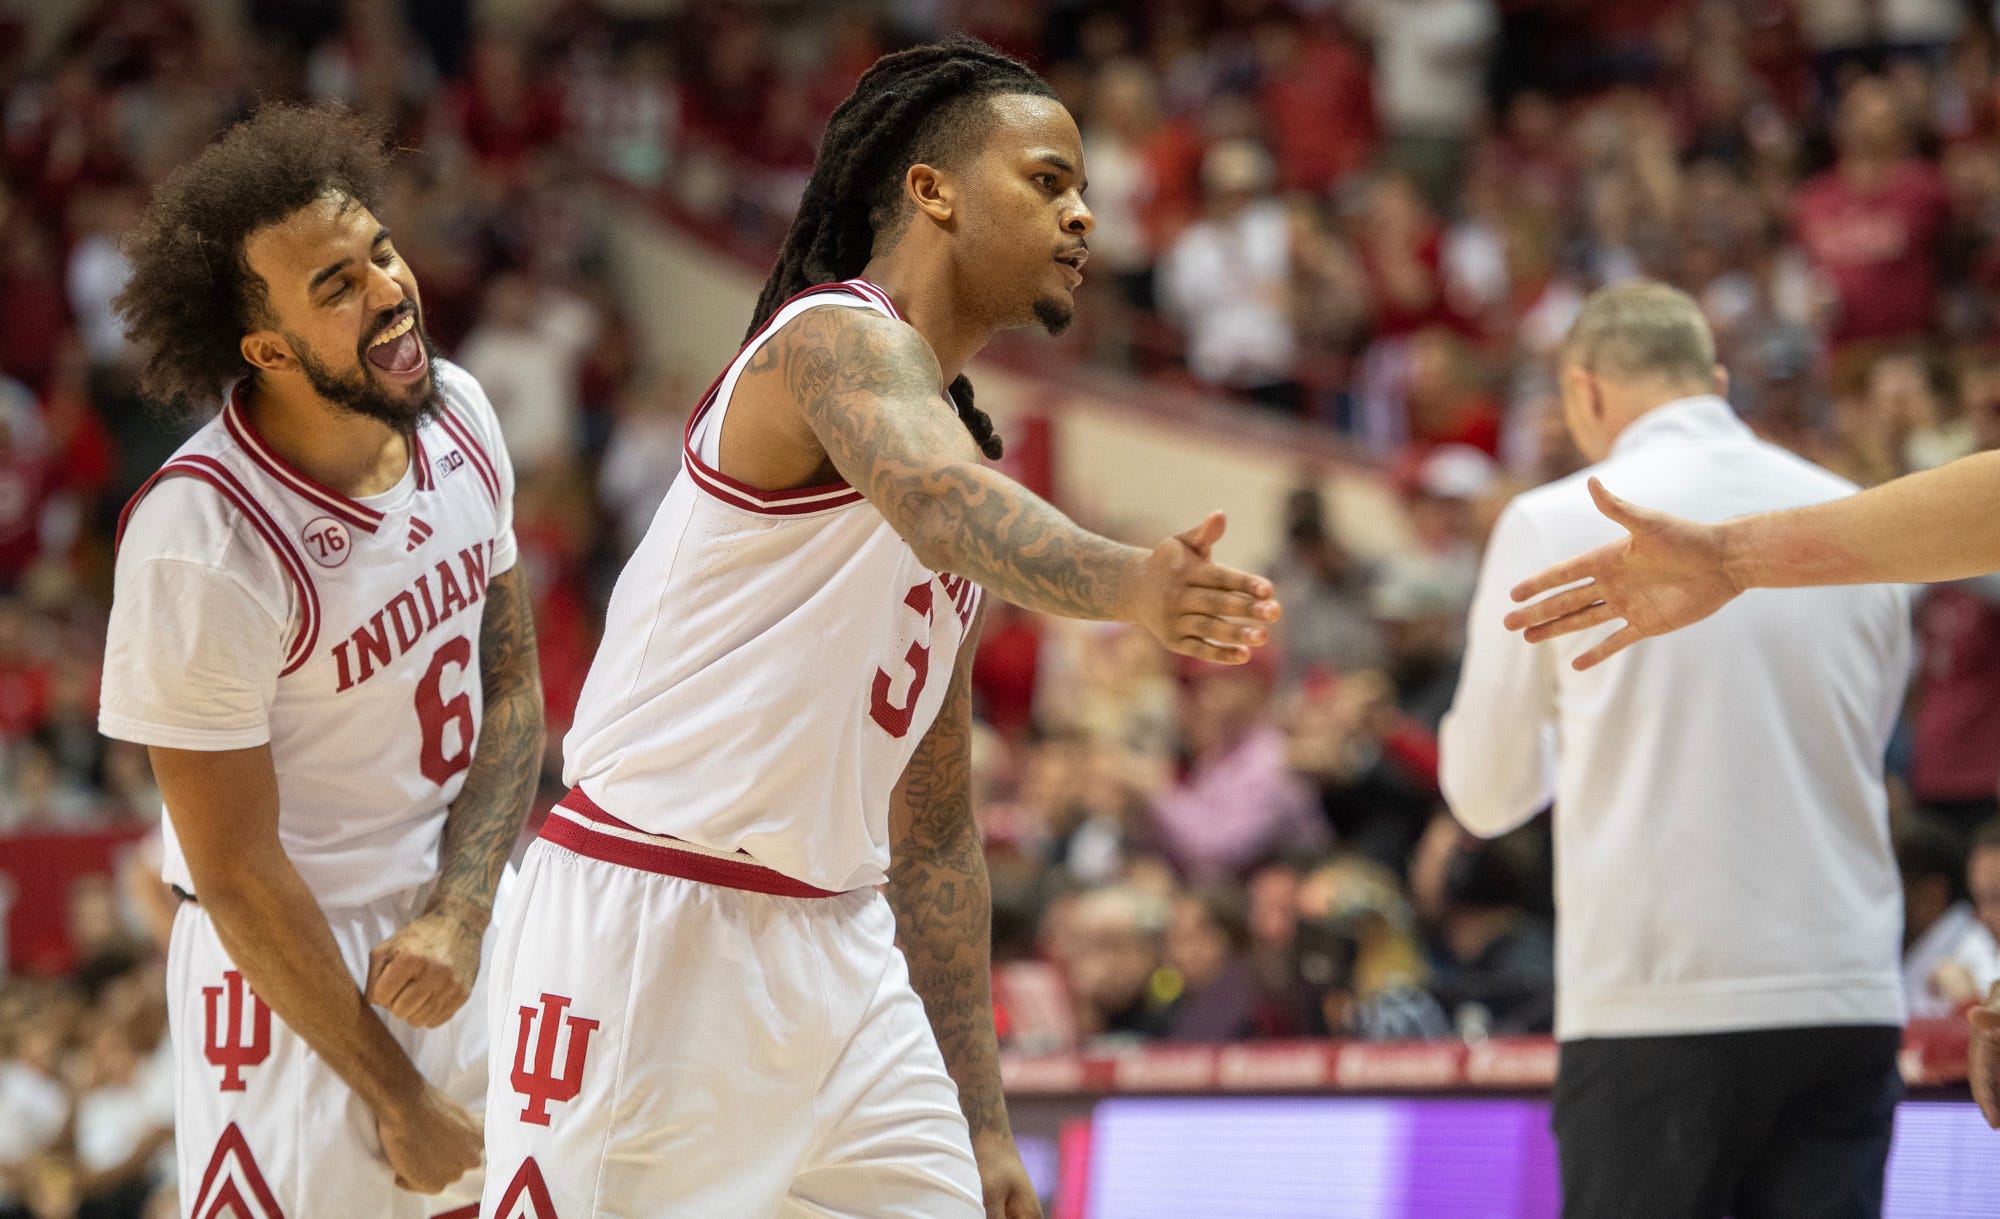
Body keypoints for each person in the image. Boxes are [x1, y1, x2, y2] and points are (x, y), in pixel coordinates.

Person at [479, 36, 1279, 1219]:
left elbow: (940, 831)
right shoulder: (830, 339)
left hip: (841, 957)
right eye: (1047, 181)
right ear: (932, 189)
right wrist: (1131, 586)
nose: (1082, 217)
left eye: (1084, 192)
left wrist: (981, 1117)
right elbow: (938, 504)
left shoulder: (956, 443)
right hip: (652, 923)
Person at [95, 104, 544, 1215]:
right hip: (296, 978)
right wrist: (393, 1092)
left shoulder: (465, 415)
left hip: (466, 914)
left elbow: (514, 691)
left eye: (379, 253)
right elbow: (237, 874)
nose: (386, 289)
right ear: (265, 348)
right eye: (333, 287)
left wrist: (463, 908)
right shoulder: (201, 544)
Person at [1442, 281, 1912, 1219]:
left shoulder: (1549, 518)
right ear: (1718, 382)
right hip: (1846, 990)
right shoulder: (1857, 519)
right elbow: (1873, 731)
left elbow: (1486, 797)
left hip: (1654, 1001)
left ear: (1586, 391)